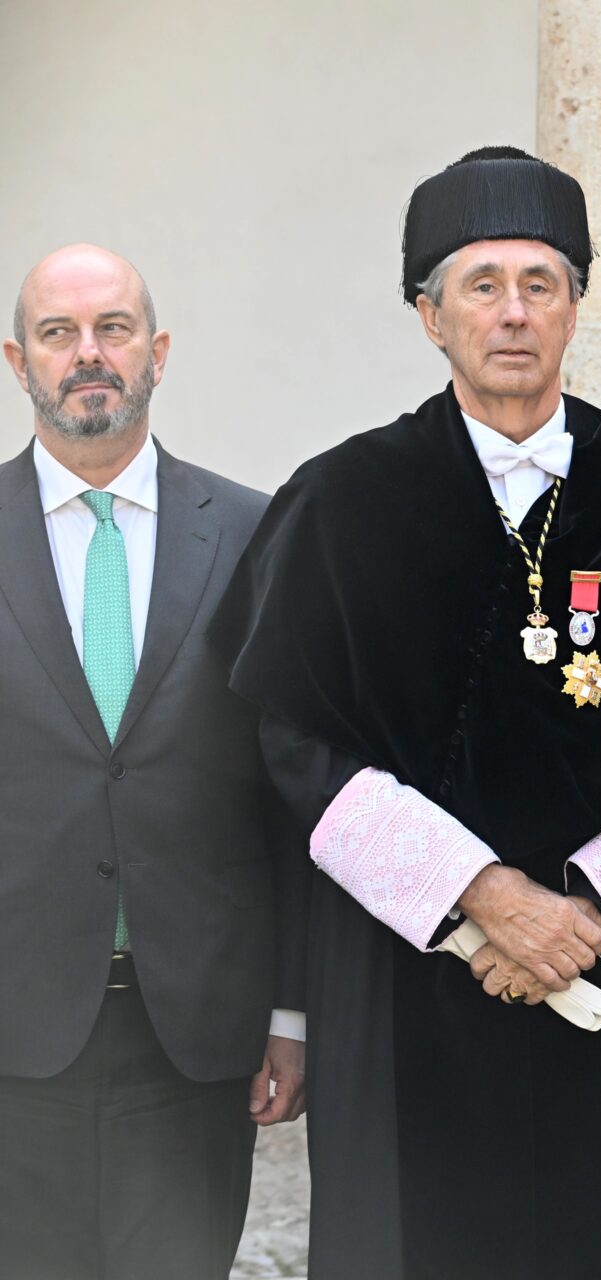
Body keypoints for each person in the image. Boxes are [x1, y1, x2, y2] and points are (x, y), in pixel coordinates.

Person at [206, 146, 601, 1279]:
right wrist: (483, 896)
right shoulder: (343, 502)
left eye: (542, 283)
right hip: (405, 969)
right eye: (481, 285)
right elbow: (290, 745)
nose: (514, 312)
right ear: (428, 316)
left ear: (576, 308)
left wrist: (583, 910)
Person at [0, 244, 307, 1278]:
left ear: (158, 352)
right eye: (58, 332)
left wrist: (292, 1009)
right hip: (11, 1037)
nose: (89, 353)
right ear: (20, 361)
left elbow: (290, 793)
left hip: (196, 1039)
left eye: (114, 328)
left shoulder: (255, 533)